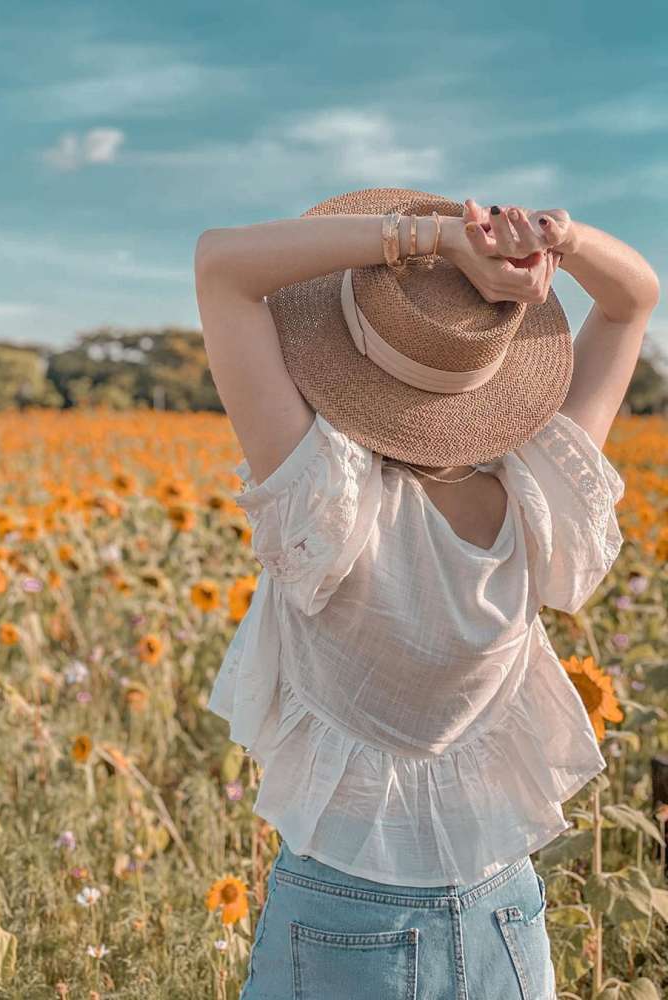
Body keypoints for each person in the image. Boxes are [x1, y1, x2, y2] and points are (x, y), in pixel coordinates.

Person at [193, 188, 660, 1000]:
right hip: (505, 908)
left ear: (349, 359)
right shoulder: (543, 495)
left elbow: (221, 268)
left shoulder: (324, 502)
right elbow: (633, 302)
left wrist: (438, 241)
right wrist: (554, 240)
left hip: (342, 911)